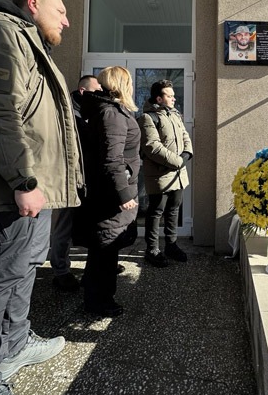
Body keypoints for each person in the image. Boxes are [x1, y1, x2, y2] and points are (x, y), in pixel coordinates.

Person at [0, 0, 83, 395]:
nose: (67, 20)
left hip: (35, 191)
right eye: (60, 11)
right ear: (32, 3)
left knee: (24, 269)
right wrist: (23, 181)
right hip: (13, 191)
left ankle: (16, 343)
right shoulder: (3, 32)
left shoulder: (31, 43)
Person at [77, 66, 140, 317]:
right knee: (105, 248)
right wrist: (123, 194)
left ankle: (97, 295)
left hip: (109, 192)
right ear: (122, 84)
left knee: (104, 248)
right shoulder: (111, 113)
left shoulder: (111, 110)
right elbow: (112, 159)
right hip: (110, 196)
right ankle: (98, 302)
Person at [50, 75, 101, 293]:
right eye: (96, 91)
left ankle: (97, 265)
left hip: (88, 178)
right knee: (64, 226)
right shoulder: (66, 111)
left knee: (91, 224)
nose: (99, 95)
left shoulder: (92, 111)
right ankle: (61, 271)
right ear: (82, 91)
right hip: (69, 178)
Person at [139, 80, 193, 268]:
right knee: (156, 212)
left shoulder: (175, 115)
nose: (174, 99)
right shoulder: (148, 118)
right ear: (159, 99)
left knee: (173, 210)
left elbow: (185, 136)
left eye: (173, 95)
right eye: (170, 96)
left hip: (178, 175)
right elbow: (152, 147)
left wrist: (187, 154)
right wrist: (178, 161)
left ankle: (171, 245)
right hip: (160, 176)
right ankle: (152, 250)